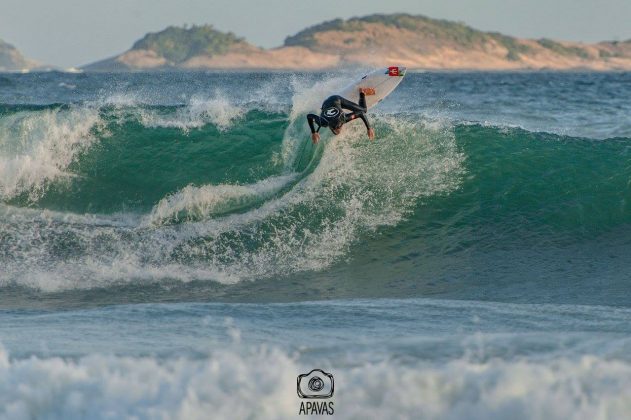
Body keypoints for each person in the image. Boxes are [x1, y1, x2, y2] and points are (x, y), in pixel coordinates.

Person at [307, 89, 375, 144]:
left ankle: (362, 92)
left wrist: (369, 128)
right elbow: (309, 116)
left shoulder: (343, 119)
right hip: (325, 103)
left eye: (339, 128)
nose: (340, 128)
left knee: (364, 110)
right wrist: (313, 132)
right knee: (359, 110)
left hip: (336, 100)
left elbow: (361, 113)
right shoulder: (323, 122)